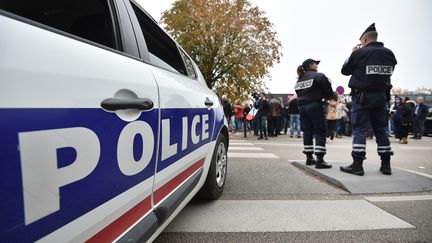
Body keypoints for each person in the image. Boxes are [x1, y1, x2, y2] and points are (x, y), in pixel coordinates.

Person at [340, 23, 397, 176]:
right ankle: (386, 165)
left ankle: (357, 165)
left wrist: (353, 53)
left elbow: (345, 71)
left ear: (365, 39)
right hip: (381, 97)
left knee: (360, 129)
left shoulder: (360, 53)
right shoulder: (389, 53)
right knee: (381, 130)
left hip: (362, 97)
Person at [295, 58, 333, 169]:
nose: (317, 66)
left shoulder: (299, 80)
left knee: (307, 131)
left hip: (302, 107)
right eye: (315, 64)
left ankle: (309, 158)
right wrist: (327, 97)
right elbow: (328, 92)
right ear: (311, 65)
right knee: (320, 131)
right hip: (315, 105)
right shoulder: (319, 76)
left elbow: (298, 93)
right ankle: (320, 160)